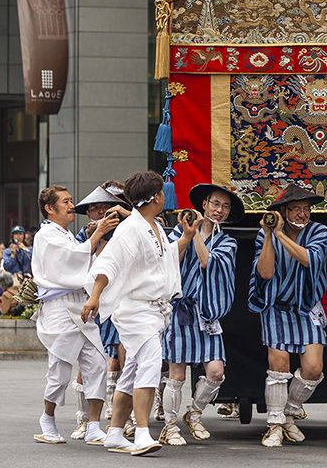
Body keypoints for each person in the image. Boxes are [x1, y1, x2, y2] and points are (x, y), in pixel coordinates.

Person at [81, 169, 198, 455]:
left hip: (152, 310)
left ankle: (116, 432)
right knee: (149, 363)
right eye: (162, 193)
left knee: (132, 371)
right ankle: (143, 432)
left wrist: (186, 237)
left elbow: (166, 256)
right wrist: (94, 296)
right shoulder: (131, 228)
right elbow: (108, 263)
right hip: (135, 310)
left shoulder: (153, 226)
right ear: (157, 196)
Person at [31, 184, 116, 445]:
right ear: (49, 208)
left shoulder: (65, 235)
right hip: (58, 306)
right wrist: (97, 234)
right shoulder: (46, 235)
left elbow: (84, 262)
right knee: (60, 370)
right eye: (66, 201)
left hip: (79, 303)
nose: (71, 206)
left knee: (97, 363)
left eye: (70, 201)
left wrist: (97, 240)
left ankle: (93, 425)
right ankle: (48, 419)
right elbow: (72, 258)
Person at [161, 182, 242, 445]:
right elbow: (170, 259)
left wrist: (195, 232)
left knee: (216, 372)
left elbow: (208, 261)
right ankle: (170, 425)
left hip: (207, 314)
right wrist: (187, 233)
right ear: (204, 204)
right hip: (181, 310)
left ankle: (194, 413)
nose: (220, 210)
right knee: (177, 374)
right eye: (216, 204)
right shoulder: (176, 231)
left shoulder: (227, 242)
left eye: (226, 206)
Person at [248, 182, 327, 447]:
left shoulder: (319, 231)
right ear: (283, 211)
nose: (302, 214)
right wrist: (271, 236)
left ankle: (288, 412)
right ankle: (274, 425)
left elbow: (310, 260)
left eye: (305, 209)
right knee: (279, 364)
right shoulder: (265, 235)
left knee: (313, 368)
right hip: (277, 306)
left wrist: (281, 235)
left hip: (307, 307)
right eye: (295, 209)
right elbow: (266, 273)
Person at [72, 183, 131, 437]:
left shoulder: (127, 232)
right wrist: (96, 237)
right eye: (95, 210)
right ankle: (84, 419)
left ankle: (122, 417)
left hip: (121, 304)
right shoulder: (83, 236)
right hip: (90, 305)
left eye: (106, 209)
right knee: (87, 365)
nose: (100, 214)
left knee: (124, 359)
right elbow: (76, 268)